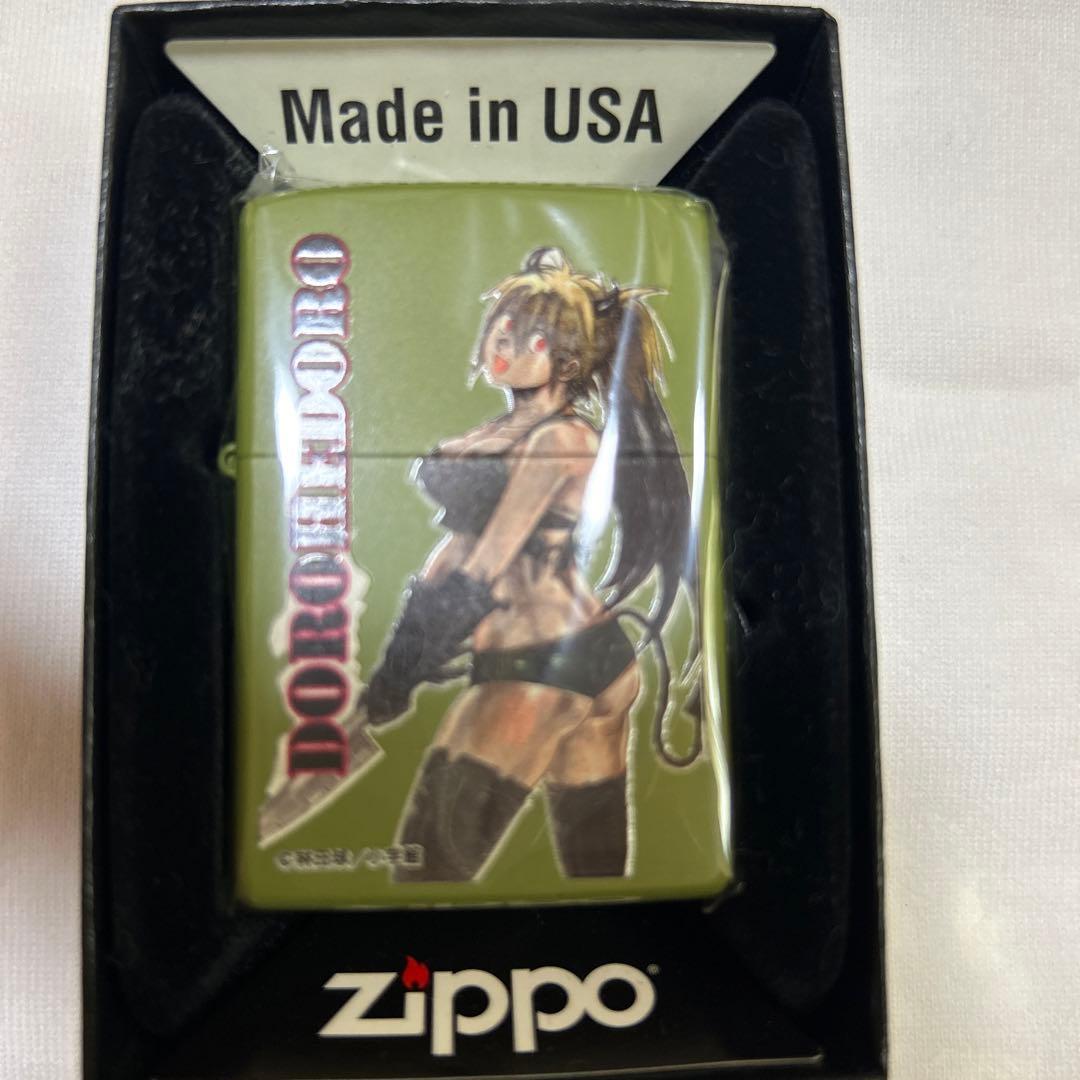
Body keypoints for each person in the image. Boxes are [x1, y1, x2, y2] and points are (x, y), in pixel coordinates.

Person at [361, 247, 700, 882]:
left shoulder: (562, 441)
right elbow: (458, 549)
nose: (505, 343)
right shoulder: (497, 431)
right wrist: (396, 669)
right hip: (564, 653)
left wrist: (399, 674)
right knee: (593, 868)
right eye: (502, 327)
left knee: (429, 863)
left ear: (567, 364)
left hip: (545, 659)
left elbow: (486, 562)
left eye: (529, 338)